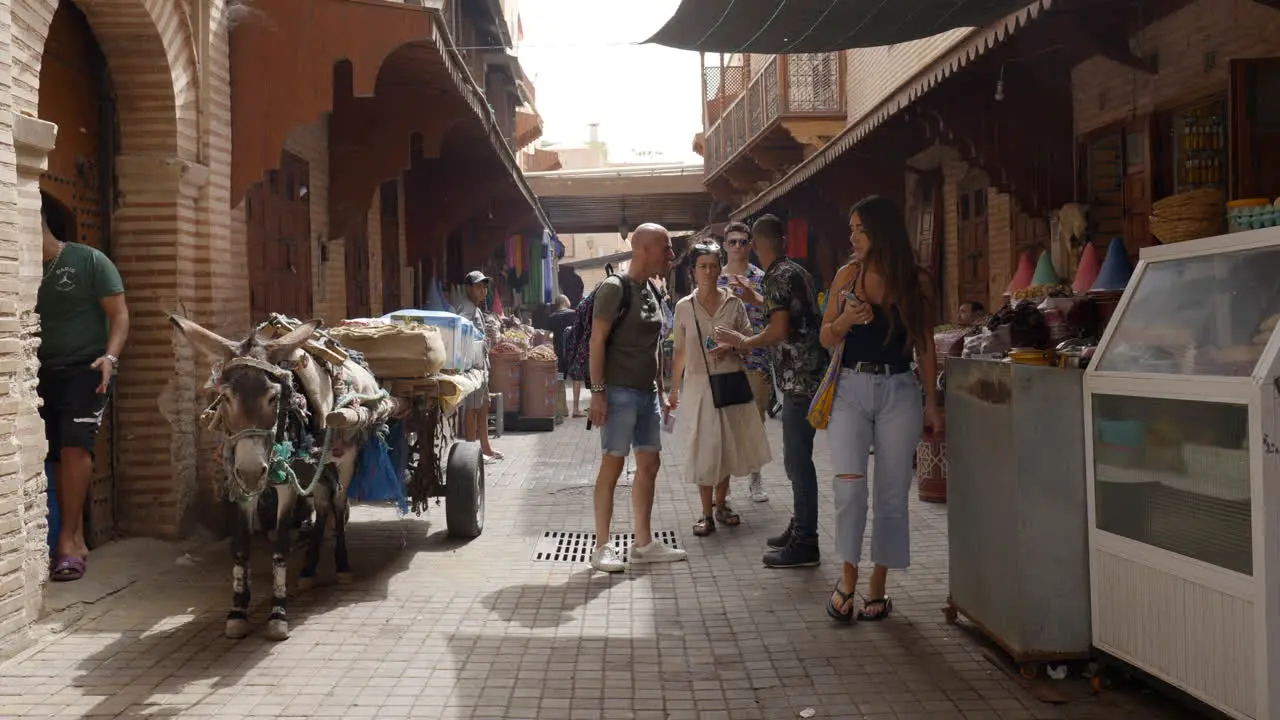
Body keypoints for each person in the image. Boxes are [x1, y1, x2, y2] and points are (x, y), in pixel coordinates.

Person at [818, 195, 942, 622]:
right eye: (851, 228)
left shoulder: (916, 281)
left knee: (892, 495)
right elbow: (825, 337)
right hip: (851, 387)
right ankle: (848, 577)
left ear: (879, 231)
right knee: (850, 488)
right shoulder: (846, 276)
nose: (851, 236)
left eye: (858, 229)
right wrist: (846, 321)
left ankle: (878, 584)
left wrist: (933, 405)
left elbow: (924, 345)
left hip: (900, 390)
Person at [714, 214, 828, 569]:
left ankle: (806, 539)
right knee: (798, 456)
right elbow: (790, 316)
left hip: (797, 378)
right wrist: (756, 297)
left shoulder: (777, 276)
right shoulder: (797, 271)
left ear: (757, 245)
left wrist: (744, 341)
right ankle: (799, 527)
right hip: (810, 374)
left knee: (797, 460)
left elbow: (779, 330)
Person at [38, 191, 130, 582]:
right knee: (52, 456)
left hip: (85, 368)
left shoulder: (89, 260)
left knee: (75, 447)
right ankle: (64, 538)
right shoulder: (16, 267)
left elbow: (120, 314)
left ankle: (69, 542)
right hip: (38, 372)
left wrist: (109, 358)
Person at [588, 223, 687, 572]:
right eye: (666, 248)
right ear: (642, 249)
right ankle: (602, 546)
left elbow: (656, 344)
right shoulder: (615, 289)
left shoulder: (652, 291)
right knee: (612, 467)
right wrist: (597, 393)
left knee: (649, 465)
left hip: (646, 396)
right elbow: (596, 341)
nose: (671, 256)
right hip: (617, 394)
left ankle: (643, 544)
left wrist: (660, 391)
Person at [669, 242, 771, 537]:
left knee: (725, 446)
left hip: (730, 380)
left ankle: (721, 504)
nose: (709, 271)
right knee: (704, 448)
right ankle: (705, 513)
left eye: (714, 266)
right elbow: (679, 352)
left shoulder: (734, 304)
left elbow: (751, 340)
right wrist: (673, 391)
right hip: (699, 385)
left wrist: (734, 344)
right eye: (703, 266)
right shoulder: (684, 306)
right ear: (693, 271)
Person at [717, 221, 771, 503]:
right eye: (732, 241)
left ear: (750, 245)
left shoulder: (762, 277)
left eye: (742, 241)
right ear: (725, 245)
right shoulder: (715, 278)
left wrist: (754, 296)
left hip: (756, 359)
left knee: (755, 421)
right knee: (725, 424)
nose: (737, 246)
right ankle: (723, 488)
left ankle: (755, 477)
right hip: (725, 360)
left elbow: (775, 313)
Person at [457, 271, 503, 463]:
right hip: (472, 367)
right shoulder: (466, 310)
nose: (483, 290)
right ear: (468, 288)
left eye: (484, 287)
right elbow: (462, 334)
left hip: (481, 364)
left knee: (484, 405)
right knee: (473, 408)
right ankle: (471, 452)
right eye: (478, 286)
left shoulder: (476, 309)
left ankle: (486, 447)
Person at [547, 294, 577, 423]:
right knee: (577, 379)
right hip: (573, 352)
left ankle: (562, 408)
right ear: (565, 301)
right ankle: (576, 408)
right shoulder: (574, 314)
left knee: (560, 379)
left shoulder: (551, 317)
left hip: (558, 353)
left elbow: (549, 336)